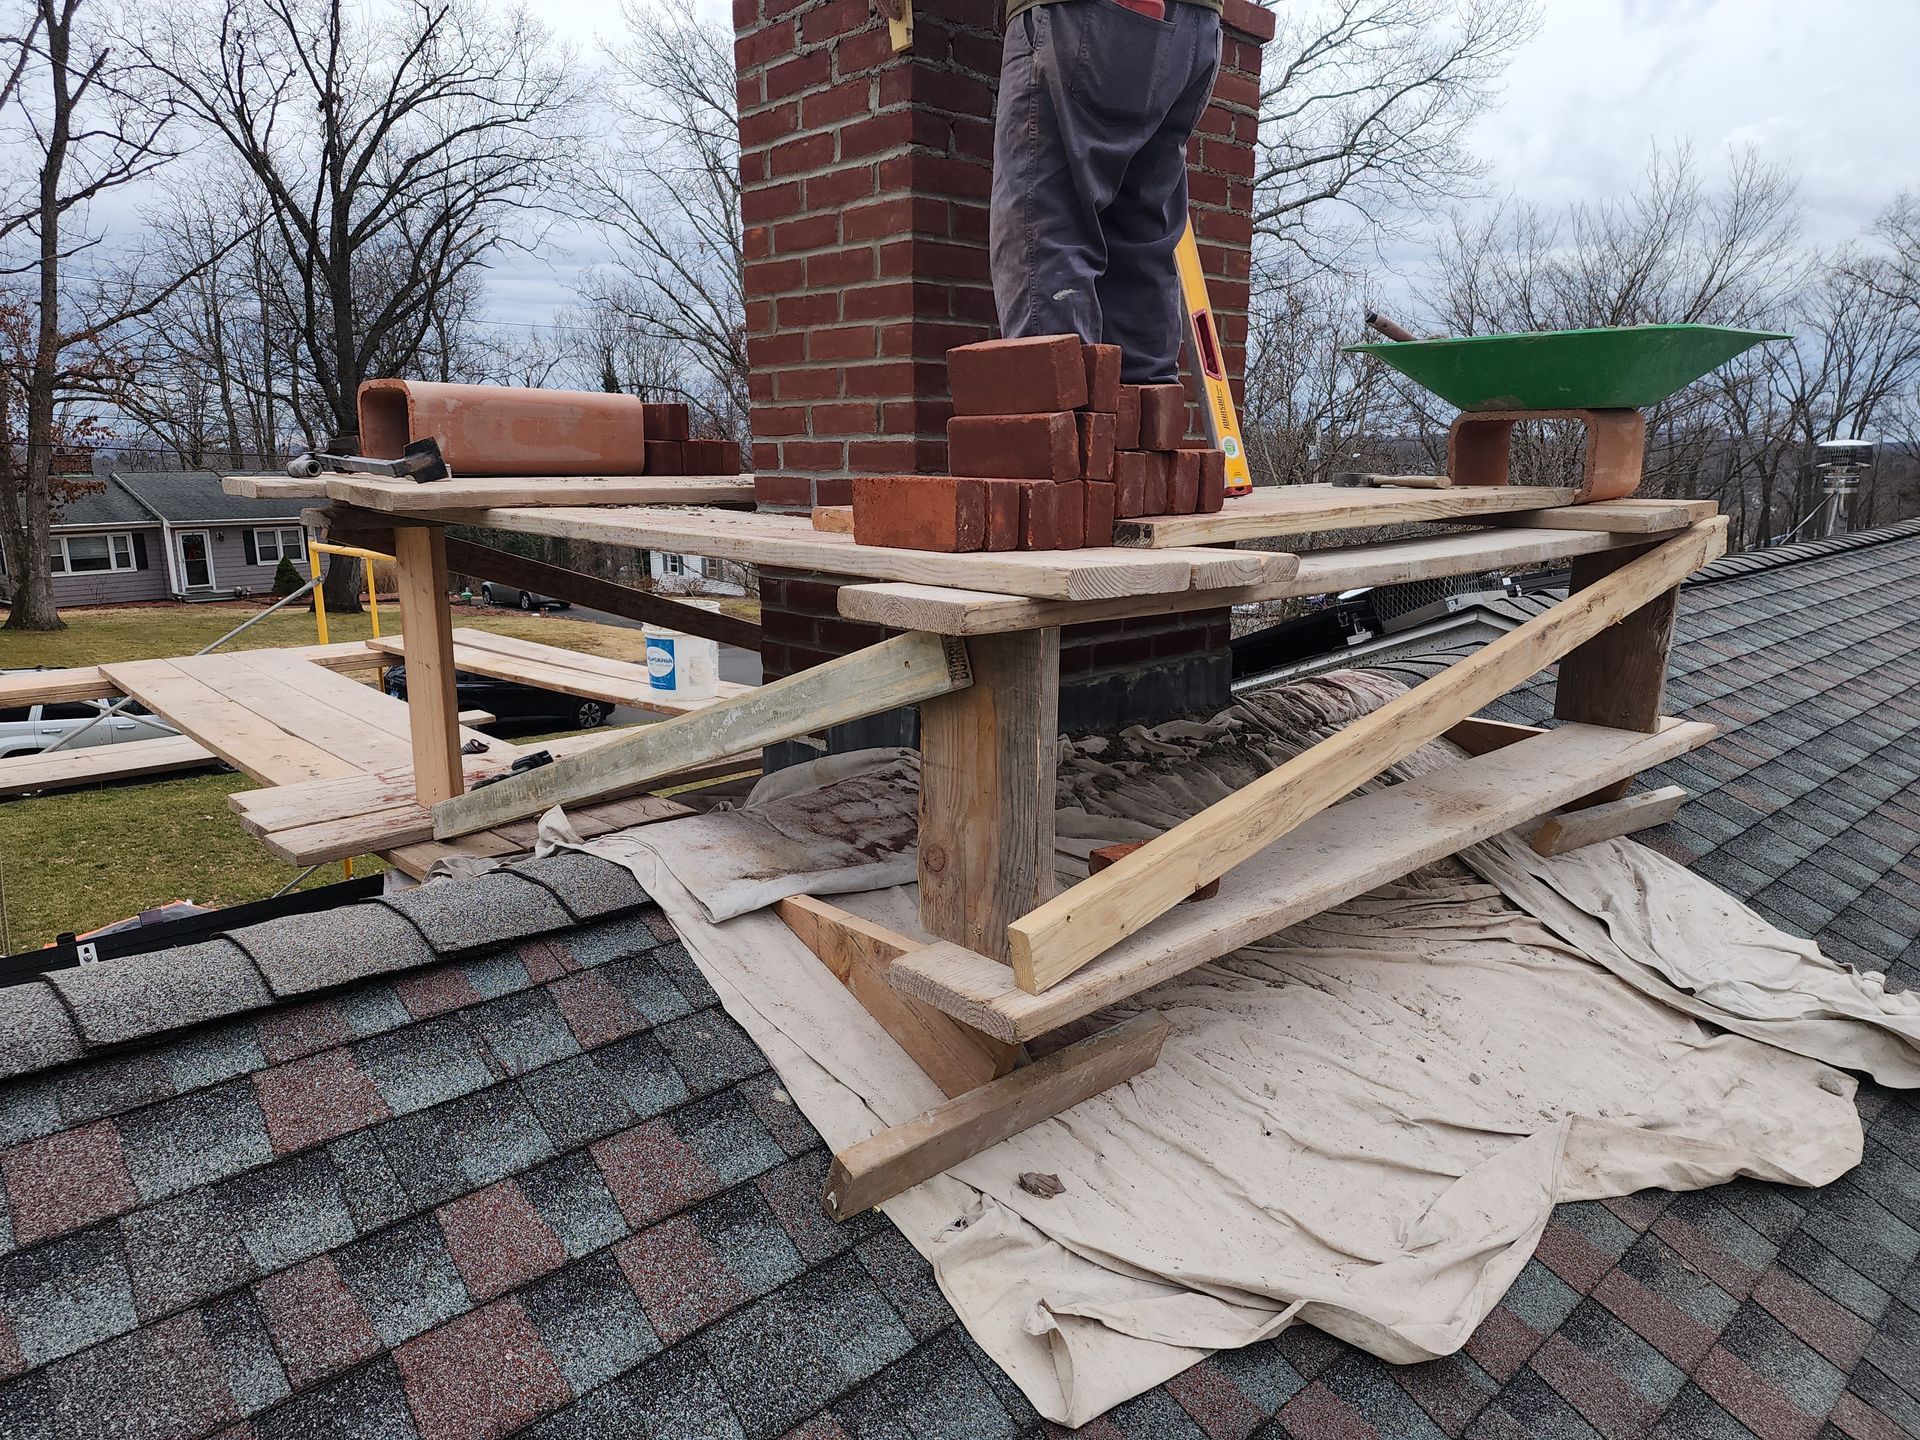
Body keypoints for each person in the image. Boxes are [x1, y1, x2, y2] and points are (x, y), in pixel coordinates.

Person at [983, 0, 1223, 385]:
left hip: (1084, 15)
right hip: (1198, 28)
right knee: (1141, 242)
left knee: (1044, 229)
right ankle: (1146, 433)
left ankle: (1064, 429)